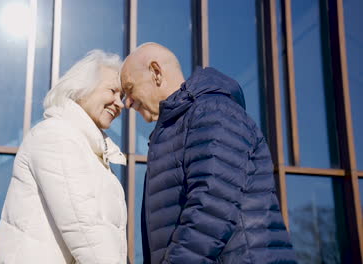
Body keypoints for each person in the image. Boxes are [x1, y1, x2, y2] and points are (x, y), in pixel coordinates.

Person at [120, 42, 296, 264]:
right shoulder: (175, 129)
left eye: (129, 88)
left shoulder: (212, 110)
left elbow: (211, 204)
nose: (127, 102)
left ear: (156, 72)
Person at [0, 50, 127, 264]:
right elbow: (85, 227)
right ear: (82, 89)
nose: (120, 104)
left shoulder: (89, 149)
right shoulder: (56, 136)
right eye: (112, 91)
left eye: (121, 97)